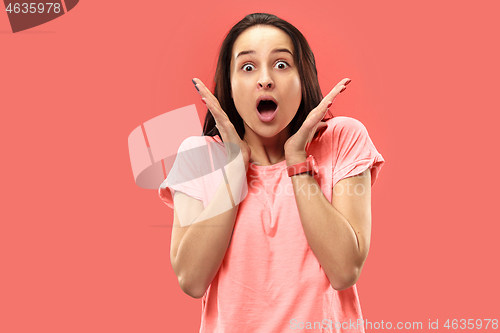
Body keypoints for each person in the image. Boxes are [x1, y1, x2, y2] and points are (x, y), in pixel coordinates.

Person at [159, 13, 385, 333]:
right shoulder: (201, 157)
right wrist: (237, 168)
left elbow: (344, 269)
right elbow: (192, 280)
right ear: (231, 86)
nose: (265, 79)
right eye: (248, 67)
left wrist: (297, 163)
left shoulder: (343, 139)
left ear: (302, 78)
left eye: (281, 64)